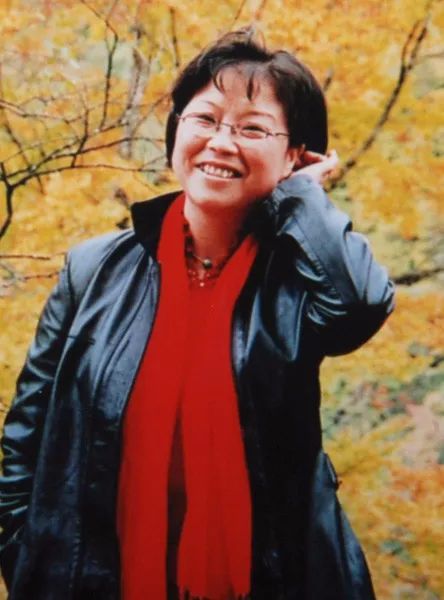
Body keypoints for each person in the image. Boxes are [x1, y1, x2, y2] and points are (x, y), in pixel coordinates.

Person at [0, 28, 394, 600]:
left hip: (272, 581)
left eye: (252, 129)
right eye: (205, 119)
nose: (221, 142)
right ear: (177, 132)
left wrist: (302, 197)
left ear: (293, 155)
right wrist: (26, 558)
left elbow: (360, 306)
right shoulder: (93, 271)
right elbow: (25, 438)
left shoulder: (296, 281)